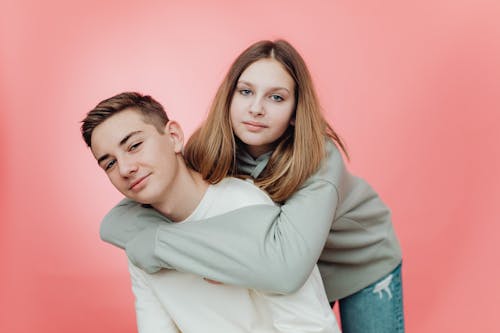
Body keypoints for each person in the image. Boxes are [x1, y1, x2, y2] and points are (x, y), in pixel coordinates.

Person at [99, 40, 405, 333]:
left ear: (296, 111)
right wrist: (211, 255)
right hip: (298, 274)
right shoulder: (207, 148)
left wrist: (189, 254)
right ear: (229, 97)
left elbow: (287, 268)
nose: (256, 108)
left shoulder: (319, 160)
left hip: (357, 261)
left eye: (276, 97)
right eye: (246, 92)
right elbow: (118, 222)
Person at [81, 92, 341, 333]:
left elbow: (309, 325)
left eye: (134, 145)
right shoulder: (139, 237)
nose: (125, 168)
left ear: (173, 136)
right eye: (110, 163)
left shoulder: (242, 204)